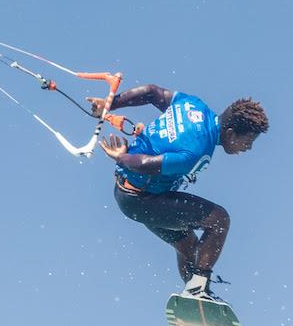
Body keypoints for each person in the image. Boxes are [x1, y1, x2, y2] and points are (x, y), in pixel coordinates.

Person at [88, 85, 269, 302]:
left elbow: (152, 92)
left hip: (127, 193)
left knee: (190, 246)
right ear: (230, 134)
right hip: (141, 200)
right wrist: (121, 157)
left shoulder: (193, 105)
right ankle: (197, 288)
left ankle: (194, 296)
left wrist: (110, 104)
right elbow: (146, 164)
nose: (247, 148)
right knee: (219, 220)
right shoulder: (196, 152)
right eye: (247, 142)